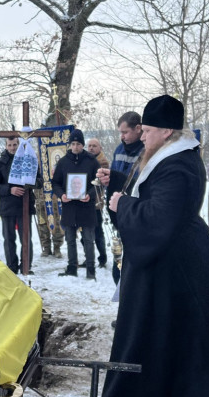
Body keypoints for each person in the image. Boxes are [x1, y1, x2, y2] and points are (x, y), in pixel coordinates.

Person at [100, 95, 209, 397]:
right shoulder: (171, 157)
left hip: (175, 264)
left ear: (167, 132)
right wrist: (118, 190)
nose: (142, 136)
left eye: (147, 130)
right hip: (170, 260)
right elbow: (150, 197)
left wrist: (123, 206)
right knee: (165, 333)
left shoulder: (177, 163)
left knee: (163, 334)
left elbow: (160, 216)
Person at [51, 129, 99, 279]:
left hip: (86, 206)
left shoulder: (92, 161)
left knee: (88, 239)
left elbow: (98, 183)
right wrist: (62, 195)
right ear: (70, 144)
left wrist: (90, 195)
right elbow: (56, 183)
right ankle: (72, 268)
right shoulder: (63, 162)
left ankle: (91, 270)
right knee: (70, 239)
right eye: (73, 143)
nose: (76, 147)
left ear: (82, 145)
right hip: (69, 206)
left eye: (78, 144)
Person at [103, 112, 144, 283]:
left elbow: (140, 183)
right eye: (120, 132)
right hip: (118, 209)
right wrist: (107, 180)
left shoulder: (146, 150)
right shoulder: (119, 149)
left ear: (138, 129)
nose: (122, 136)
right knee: (118, 258)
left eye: (125, 132)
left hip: (136, 210)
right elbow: (115, 175)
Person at [0, 135, 34, 274]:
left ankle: (26, 266)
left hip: (24, 205)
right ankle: (11, 267)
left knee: (26, 238)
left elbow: (39, 180)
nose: (12, 148)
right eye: (10, 145)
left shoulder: (28, 159)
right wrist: (10, 190)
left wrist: (29, 183)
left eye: (15, 145)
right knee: (9, 238)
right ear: (5, 146)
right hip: (7, 205)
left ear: (19, 144)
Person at [85, 137, 110, 268]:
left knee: (97, 232)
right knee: (84, 233)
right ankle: (88, 257)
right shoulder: (85, 160)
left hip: (95, 202)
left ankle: (102, 258)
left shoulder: (102, 162)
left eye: (94, 146)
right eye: (89, 146)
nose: (91, 148)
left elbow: (98, 183)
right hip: (83, 201)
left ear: (100, 148)